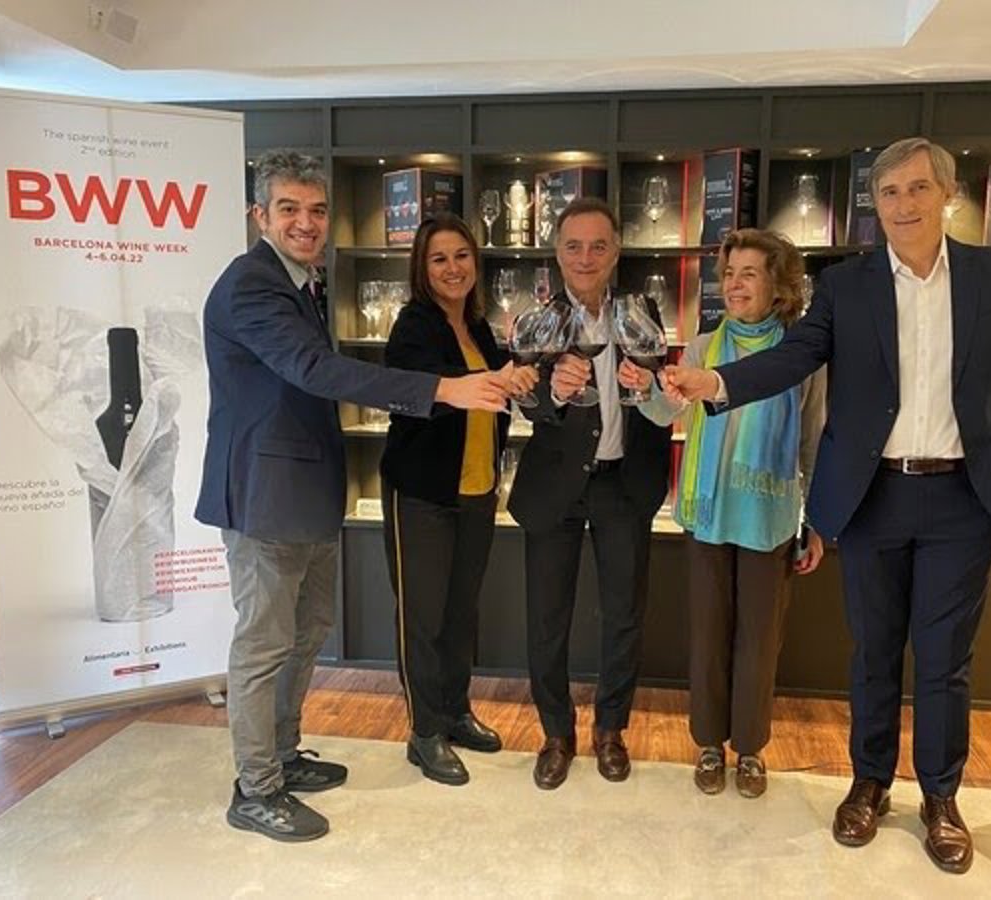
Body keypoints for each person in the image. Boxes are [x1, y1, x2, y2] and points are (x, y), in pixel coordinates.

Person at [663, 138, 991, 873]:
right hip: (874, 495)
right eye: (889, 192)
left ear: (947, 194)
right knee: (873, 651)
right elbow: (795, 355)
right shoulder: (848, 284)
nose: (903, 205)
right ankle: (869, 783)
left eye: (918, 188)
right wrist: (719, 384)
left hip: (964, 499)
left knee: (945, 659)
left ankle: (941, 797)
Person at [195, 151, 510, 843]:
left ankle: (282, 756)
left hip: (307, 495)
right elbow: (314, 369)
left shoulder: (303, 283)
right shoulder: (250, 285)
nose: (305, 223)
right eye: (289, 209)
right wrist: (443, 388)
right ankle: (256, 788)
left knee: (305, 635)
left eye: (315, 210)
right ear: (259, 215)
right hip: (264, 497)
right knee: (263, 644)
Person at [620, 228, 825, 797]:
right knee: (708, 635)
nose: (734, 285)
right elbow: (666, 414)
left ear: (779, 285)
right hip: (708, 514)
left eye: (749, 274)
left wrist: (816, 523)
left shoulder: (801, 355)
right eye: (729, 274)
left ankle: (750, 750)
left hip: (769, 517)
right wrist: (645, 389)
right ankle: (709, 744)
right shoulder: (702, 345)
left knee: (760, 640)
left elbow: (813, 442)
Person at [508, 197, 671, 790]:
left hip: (623, 484)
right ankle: (556, 733)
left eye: (598, 245)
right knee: (546, 620)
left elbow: (662, 398)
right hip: (555, 487)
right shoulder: (538, 320)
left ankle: (610, 730)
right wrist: (552, 391)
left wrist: (650, 384)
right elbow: (521, 400)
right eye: (574, 246)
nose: (586, 257)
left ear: (616, 252)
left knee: (624, 615)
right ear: (557, 253)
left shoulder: (641, 311)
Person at [379, 213, 537, 786]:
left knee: (460, 612)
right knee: (421, 617)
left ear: (476, 262)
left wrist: (514, 382)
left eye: (462, 256)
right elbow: (417, 390)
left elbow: (491, 399)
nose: (453, 268)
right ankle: (424, 732)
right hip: (423, 492)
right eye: (439, 259)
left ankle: (454, 711)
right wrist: (490, 383)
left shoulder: (480, 328)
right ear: (422, 269)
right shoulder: (412, 326)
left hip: (476, 490)